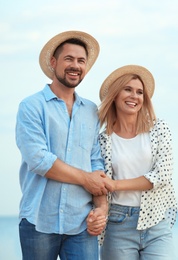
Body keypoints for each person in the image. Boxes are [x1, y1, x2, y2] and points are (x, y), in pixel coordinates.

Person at [15, 31, 112, 260]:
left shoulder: (91, 111)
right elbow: (39, 160)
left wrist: (101, 209)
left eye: (81, 61)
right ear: (53, 62)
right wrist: (85, 179)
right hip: (39, 220)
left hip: (81, 223)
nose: (75, 66)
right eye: (69, 59)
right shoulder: (31, 106)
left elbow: (95, 163)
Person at [86, 65, 178, 259]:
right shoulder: (103, 140)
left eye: (139, 92)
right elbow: (99, 182)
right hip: (118, 223)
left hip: (156, 222)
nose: (134, 96)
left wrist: (115, 184)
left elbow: (162, 175)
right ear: (115, 95)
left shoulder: (159, 129)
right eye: (127, 89)